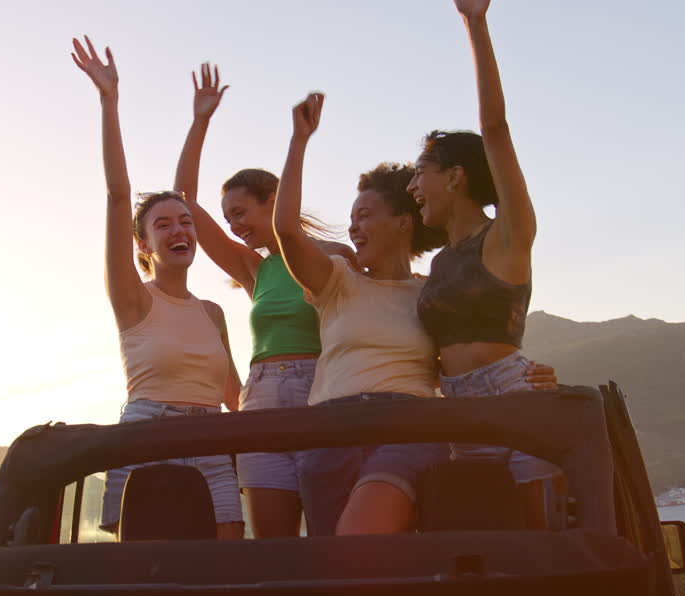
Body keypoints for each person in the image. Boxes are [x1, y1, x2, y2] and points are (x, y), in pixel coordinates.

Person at [172, 64, 356, 538]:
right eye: (229, 218)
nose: (234, 227)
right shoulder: (255, 270)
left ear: (273, 200)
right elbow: (184, 201)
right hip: (261, 398)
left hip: (323, 392)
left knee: (330, 540)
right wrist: (201, 122)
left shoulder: (336, 258)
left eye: (240, 213)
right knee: (271, 546)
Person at [71, 37, 244, 539]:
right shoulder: (133, 298)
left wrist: (201, 121)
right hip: (146, 435)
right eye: (163, 225)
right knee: (143, 570)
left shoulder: (212, 312)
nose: (180, 231)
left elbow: (234, 395)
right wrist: (109, 101)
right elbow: (117, 194)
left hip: (211, 437)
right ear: (144, 244)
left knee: (228, 561)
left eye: (186, 222)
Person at [409, 0, 565, 528]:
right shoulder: (436, 265)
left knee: (542, 536)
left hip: (518, 401)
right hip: (459, 413)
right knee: (487, 538)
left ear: (455, 177)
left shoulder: (507, 236)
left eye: (420, 172)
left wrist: (475, 26)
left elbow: (495, 128)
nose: (412, 188)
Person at [272, 92, 451, 537]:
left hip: (406, 429)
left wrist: (525, 373)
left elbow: (466, 362)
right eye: (351, 217)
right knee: (340, 575)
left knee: (358, 540)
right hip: (329, 436)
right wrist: (299, 140)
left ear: (404, 222)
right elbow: (287, 231)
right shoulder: (337, 281)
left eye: (365, 215)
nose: (352, 227)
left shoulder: (433, 291)